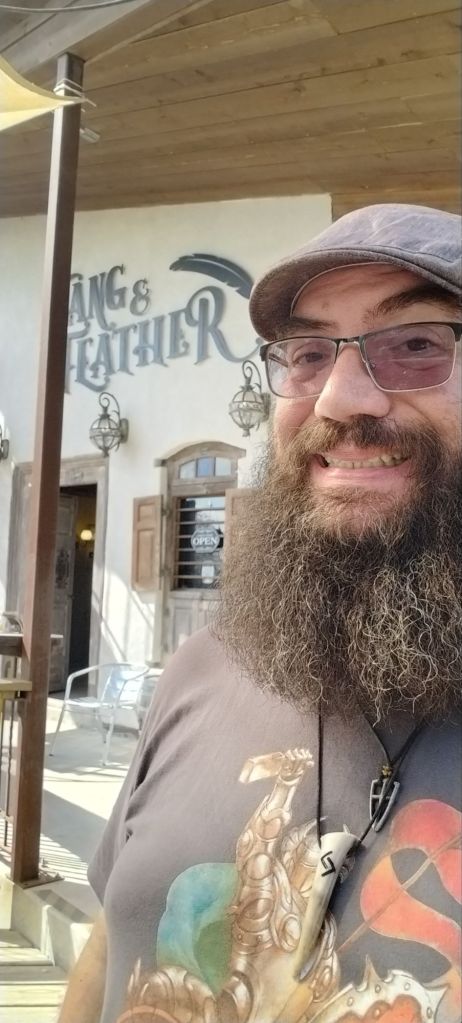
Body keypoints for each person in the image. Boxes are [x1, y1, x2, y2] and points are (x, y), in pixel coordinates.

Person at [58, 204, 461, 1023]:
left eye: (417, 344)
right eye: (308, 354)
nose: (340, 398)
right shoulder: (203, 666)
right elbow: (112, 939)